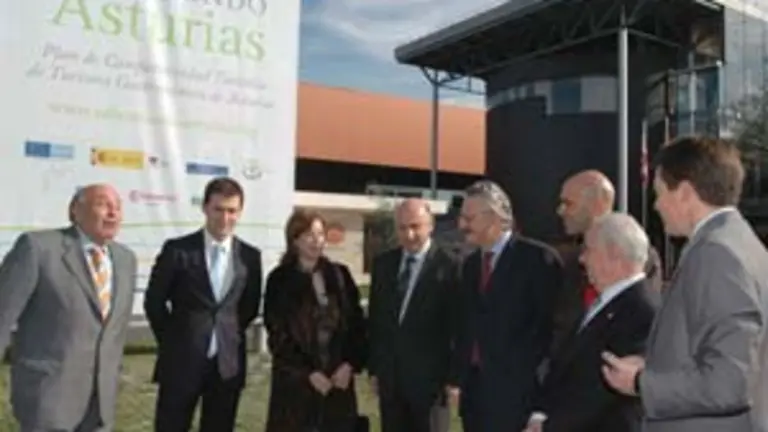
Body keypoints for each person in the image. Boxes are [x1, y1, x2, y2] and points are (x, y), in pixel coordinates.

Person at [602, 136, 768, 431]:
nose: (656, 205)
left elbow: (729, 382)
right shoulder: (739, 242)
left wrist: (641, 383)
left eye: (660, 192)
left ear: (685, 193)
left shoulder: (717, 254)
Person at [0, 184, 136, 432]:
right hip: (48, 396)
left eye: (117, 207)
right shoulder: (38, 248)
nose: (113, 213)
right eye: (103, 204)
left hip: (100, 404)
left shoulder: (126, 260)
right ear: (75, 210)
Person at [144, 177, 263, 432]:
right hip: (181, 364)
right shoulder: (178, 250)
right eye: (218, 209)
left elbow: (248, 307)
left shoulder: (250, 257)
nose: (224, 217)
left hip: (226, 367)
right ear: (205, 208)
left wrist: (226, 335)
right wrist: (174, 340)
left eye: (232, 211)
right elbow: (154, 302)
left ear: (240, 212)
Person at [524, 213, 659, 432]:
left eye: (588, 249)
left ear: (613, 255)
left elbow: (604, 390)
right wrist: (540, 414)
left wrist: (548, 427)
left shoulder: (641, 311)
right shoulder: (603, 303)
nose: (581, 259)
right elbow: (565, 366)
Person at [451, 180, 563, 432]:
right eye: (461, 217)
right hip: (475, 398)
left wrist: (541, 403)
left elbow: (550, 334)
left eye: (469, 218)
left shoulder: (537, 260)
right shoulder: (469, 265)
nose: (461, 226)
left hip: (519, 399)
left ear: (497, 218)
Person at [263, 210, 367, 432]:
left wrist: (349, 364)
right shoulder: (279, 280)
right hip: (297, 385)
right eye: (309, 235)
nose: (316, 240)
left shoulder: (340, 275)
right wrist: (308, 373)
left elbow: (356, 324)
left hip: (337, 383)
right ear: (295, 239)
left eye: (320, 234)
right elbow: (278, 335)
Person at [368, 198, 461, 432]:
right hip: (391, 384)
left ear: (430, 226)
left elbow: (458, 327)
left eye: (415, 227)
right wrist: (375, 368)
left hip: (431, 386)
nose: (409, 234)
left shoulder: (451, 267)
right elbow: (377, 321)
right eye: (402, 228)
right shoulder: (383, 265)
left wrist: (454, 378)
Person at [553, 169, 662, 353]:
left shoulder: (637, 252)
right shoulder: (564, 259)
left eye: (569, 204)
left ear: (596, 205)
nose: (561, 211)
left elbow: (637, 317)